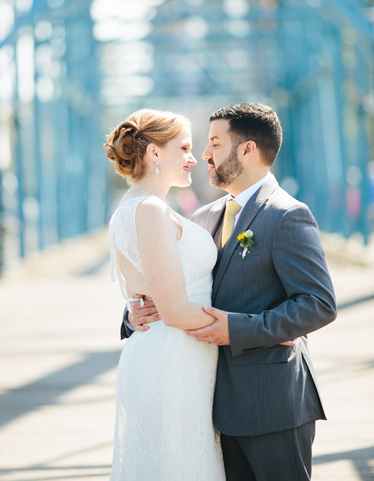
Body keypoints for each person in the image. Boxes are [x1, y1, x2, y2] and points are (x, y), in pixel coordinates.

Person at [126, 103, 337, 481]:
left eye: (215, 144)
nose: (204, 155)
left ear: (248, 150)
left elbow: (318, 304)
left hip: (273, 403)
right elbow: (178, 285)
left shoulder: (288, 215)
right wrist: (133, 315)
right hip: (209, 405)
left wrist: (241, 329)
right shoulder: (203, 217)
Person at [105, 109, 225, 480]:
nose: (195, 157)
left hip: (175, 355)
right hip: (173, 359)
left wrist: (130, 311)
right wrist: (257, 326)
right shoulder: (151, 209)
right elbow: (172, 310)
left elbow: (150, 287)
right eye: (185, 147)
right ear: (154, 153)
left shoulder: (135, 207)